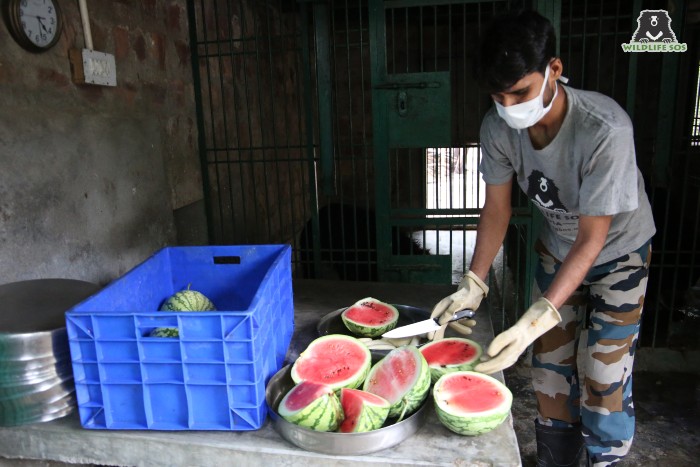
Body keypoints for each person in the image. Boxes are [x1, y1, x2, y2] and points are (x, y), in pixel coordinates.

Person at [428, 10, 655, 467]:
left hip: (618, 255)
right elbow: (497, 208)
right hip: (557, 248)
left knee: (603, 375)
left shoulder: (605, 129)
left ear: (554, 68)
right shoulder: (497, 129)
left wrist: (540, 314)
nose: (509, 105)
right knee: (549, 373)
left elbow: (593, 237)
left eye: (520, 91)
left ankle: (606, 459)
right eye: (498, 95)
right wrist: (474, 280)